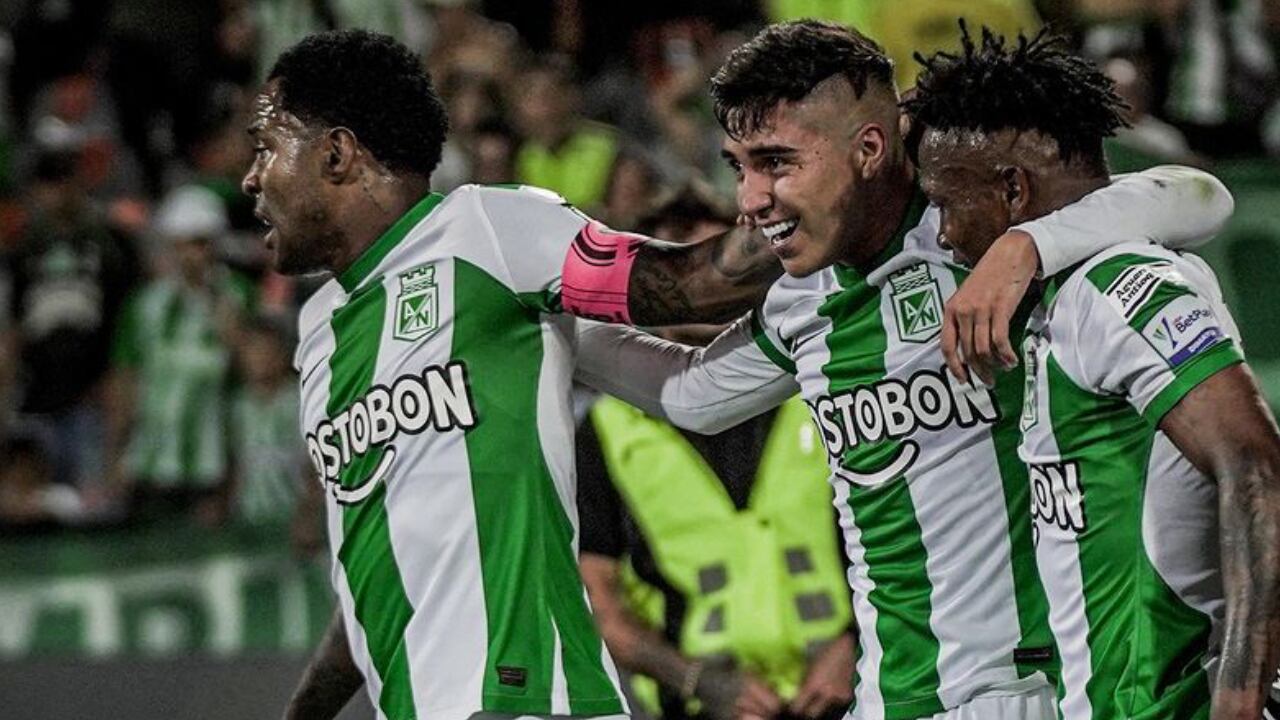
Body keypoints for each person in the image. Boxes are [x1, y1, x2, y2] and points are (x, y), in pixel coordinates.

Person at [574, 20, 1236, 720]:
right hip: (891, 696)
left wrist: (1028, 247)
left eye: (776, 162)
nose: (750, 199)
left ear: (867, 148)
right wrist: (545, 325)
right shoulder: (805, 300)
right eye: (739, 166)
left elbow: (1199, 196)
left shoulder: (972, 226)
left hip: (1036, 692)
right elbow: (694, 395)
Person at [241, 29, 785, 720]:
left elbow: (695, 292)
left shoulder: (489, 233)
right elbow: (376, 570)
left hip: (529, 699)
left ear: (338, 153)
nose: (251, 177)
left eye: (266, 147)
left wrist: (807, 206)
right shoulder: (318, 330)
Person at [904, 26, 1280, 720]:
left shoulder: (1120, 288)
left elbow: (1257, 468)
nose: (946, 234)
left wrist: (1239, 694)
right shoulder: (1060, 301)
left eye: (945, 203)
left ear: (1013, 189)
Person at [576, 188, 854, 720]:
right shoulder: (606, 431)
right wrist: (698, 680)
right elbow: (602, 606)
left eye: (720, 262)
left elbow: (900, 533)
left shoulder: (817, 386)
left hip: (844, 696)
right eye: (685, 267)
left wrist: (853, 643)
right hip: (700, 709)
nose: (706, 289)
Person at [105, 184, 252, 522]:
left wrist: (234, 334)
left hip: (213, 467)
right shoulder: (144, 306)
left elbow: (257, 379)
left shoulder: (239, 297)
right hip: (150, 464)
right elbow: (124, 382)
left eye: (200, 243)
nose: (192, 255)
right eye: (183, 244)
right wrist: (114, 460)